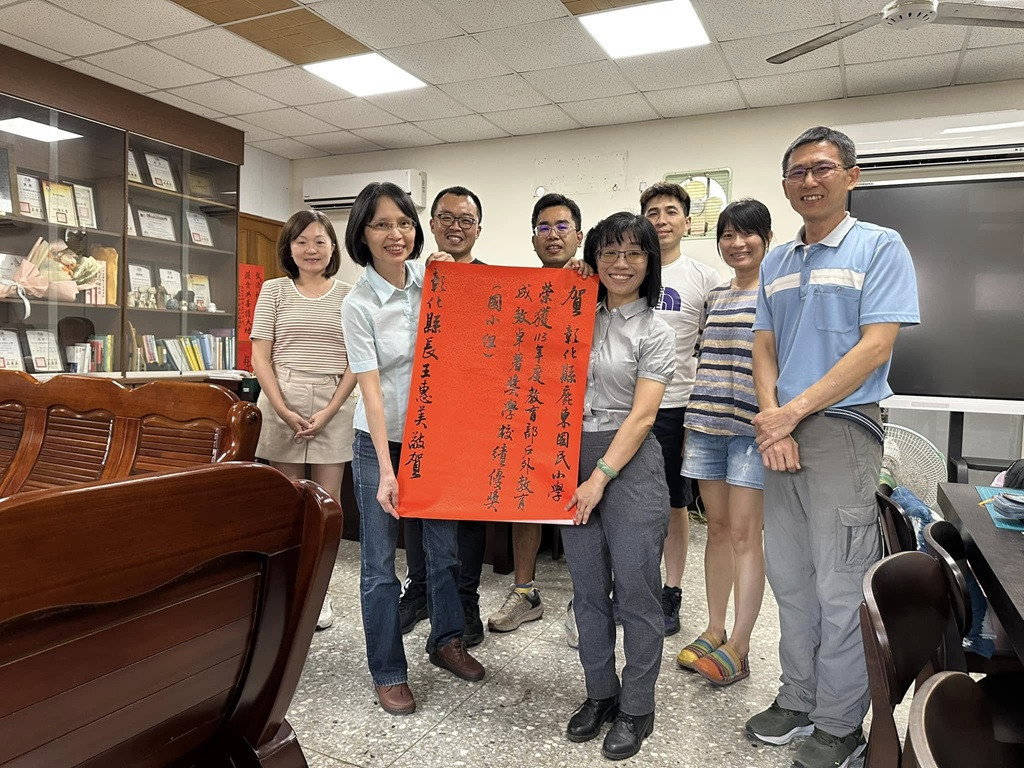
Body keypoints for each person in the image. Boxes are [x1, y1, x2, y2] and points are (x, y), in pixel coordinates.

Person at [746, 127, 919, 768]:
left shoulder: (880, 246)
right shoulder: (777, 262)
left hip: (842, 430)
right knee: (791, 578)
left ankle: (840, 724)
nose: (809, 181)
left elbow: (876, 346)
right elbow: (764, 345)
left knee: (841, 585)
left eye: (821, 168)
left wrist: (790, 413)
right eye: (797, 172)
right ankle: (798, 697)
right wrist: (773, 418)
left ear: (851, 175)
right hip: (780, 435)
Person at [341, 182, 485, 717]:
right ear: (362, 234)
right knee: (380, 564)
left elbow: (487, 313)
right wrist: (386, 469)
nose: (395, 234)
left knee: (443, 551)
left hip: (434, 441)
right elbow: (372, 391)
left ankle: (447, 640)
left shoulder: (432, 280)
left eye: (403, 223)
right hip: (378, 443)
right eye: (381, 224)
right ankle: (388, 670)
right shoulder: (358, 305)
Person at [561, 212, 674, 761]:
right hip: (570, 459)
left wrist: (598, 479)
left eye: (633, 252)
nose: (620, 263)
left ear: (649, 261)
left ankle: (637, 706)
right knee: (586, 589)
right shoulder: (574, 314)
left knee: (636, 591)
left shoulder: (657, 330)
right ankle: (600, 693)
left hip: (628, 463)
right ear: (595, 258)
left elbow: (643, 416)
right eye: (609, 252)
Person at [675, 199, 772, 687]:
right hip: (706, 424)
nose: (737, 243)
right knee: (714, 530)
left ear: (767, 239)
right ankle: (714, 629)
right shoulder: (714, 297)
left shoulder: (776, 295)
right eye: (728, 235)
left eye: (747, 234)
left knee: (744, 535)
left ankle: (741, 643)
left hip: (753, 430)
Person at [250, 208, 357, 632]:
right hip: (283, 397)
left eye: (319, 241)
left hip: (334, 401)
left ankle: (319, 590)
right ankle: (287, 586)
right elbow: (260, 357)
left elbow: (355, 361)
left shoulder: (350, 295)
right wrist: (281, 409)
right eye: (301, 241)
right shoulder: (274, 290)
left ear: (332, 247)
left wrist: (329, 410)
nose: (311, 249)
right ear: (289, 248)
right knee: (289, 502)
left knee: (327, 505)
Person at [487, 192, 583, 637]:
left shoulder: (596, 284)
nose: (553, 235)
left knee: (584, 509)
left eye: (562, 227)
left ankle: (586, 600)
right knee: (522, 501)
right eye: (544, 228)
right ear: (533, 239)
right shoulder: (519, 289)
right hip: (530, 412)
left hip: (584, 418)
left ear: (578, 235)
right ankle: (525, 593)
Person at [399, 185, 490, 647]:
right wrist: (427, 279)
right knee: (416, 504)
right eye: (447, 218)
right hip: (421, 413)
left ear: (478, 229)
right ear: (431, 224)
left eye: (466, 220)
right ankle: (419, 589)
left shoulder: (494, 282)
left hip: (473, 418)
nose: (456, 227)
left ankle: (466, 599)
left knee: (469, 511)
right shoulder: (411, 278)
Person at [641, 182, 722, 635]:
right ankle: (631, 585)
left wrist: (698, 414)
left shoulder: (704, 279)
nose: (661, 220)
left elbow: (710, 351)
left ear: (687, 222)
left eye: (671, 212)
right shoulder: (627, 269)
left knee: (674, 504)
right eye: (652, 212)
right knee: (627, 504)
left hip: (675, 408)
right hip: (625, 408)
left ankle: (670, 591)